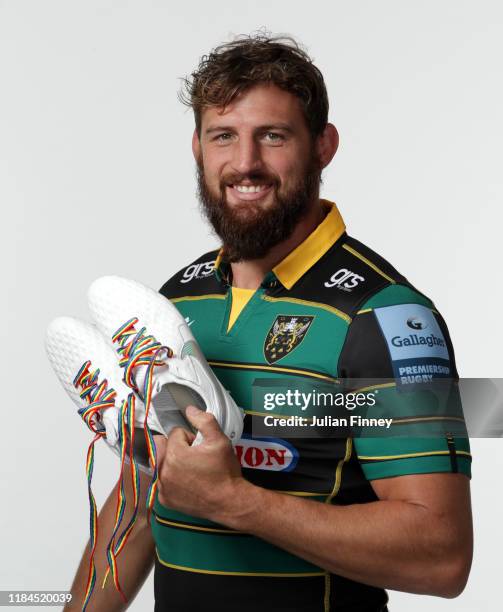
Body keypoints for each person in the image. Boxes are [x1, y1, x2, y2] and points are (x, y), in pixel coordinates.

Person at [65, 34, 472, 612]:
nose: (245, 163)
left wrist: (237, 501)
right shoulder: (176, 302)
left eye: (272, 136)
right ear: (198, 148)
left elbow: (443, 556)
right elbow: (144, 494)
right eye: (223, 136)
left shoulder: (387, 318)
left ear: (323, 146)